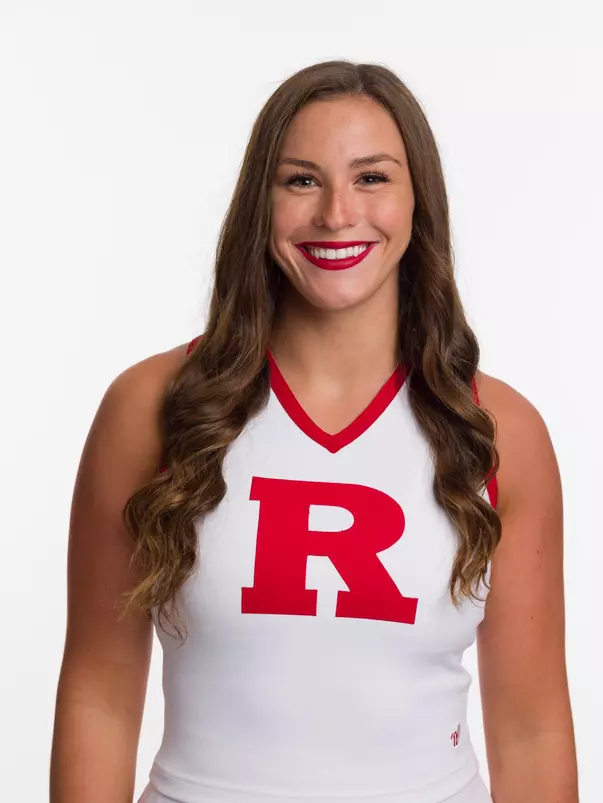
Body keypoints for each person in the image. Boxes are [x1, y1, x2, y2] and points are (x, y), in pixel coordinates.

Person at [50, 60, 578, 803]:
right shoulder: (152, 407)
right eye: (300, 180)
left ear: (416, 199)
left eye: (371, 178)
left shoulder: (497, 429)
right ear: (258, 203)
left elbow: (530, 727)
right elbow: (99, 699)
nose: (336, 213)